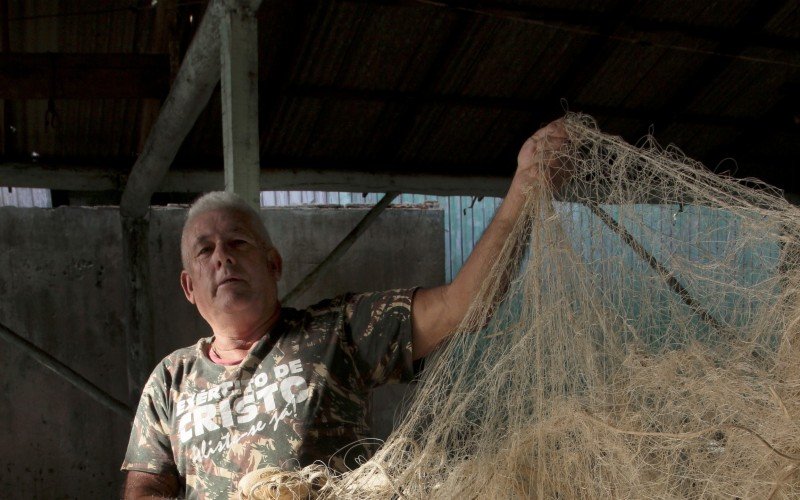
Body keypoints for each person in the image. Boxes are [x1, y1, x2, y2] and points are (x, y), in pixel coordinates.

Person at [121, 120, 569, 498]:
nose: (223, 256)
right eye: (205, 250)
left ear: (273, 263)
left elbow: (465, 305)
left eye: (238, 242)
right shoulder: (170, 380)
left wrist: (523, 190)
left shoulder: (339, 331)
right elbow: (145, 490)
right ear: (188, 287)